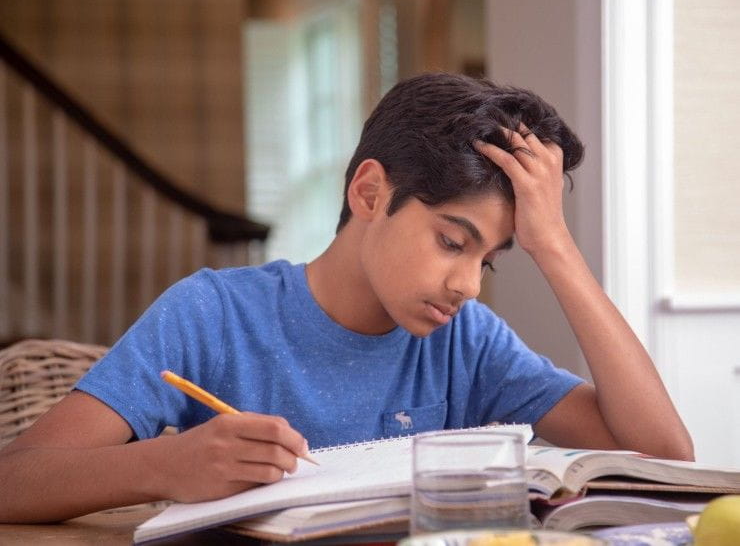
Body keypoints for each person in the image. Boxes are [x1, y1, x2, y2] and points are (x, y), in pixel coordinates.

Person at [0, 73, 693, 523]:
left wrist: (556, 250)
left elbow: (665, 457)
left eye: (491, 259)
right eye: (453, 242)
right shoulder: (211, 314)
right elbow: (15, 481)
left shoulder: (467, 342)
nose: (468, 284)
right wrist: (167, 466)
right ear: (369, 193)